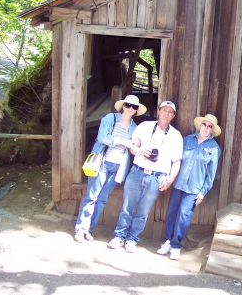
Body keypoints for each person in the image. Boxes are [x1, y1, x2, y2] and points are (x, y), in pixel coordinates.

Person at [107, 100, 183, 253]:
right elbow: (133, 146)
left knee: (143, 212)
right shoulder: (145, 126)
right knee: (127, 207)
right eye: (164, 110)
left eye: (170, 112)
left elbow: (177, 161)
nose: (166, 114)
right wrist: (140, 152)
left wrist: (169, 181)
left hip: (157, 177)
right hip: (137, 171)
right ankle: (119, 236)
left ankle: (132, 239)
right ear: (158, 110)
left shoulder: (176, 135)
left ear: (173, 115)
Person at [74, 95, 147, 243]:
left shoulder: (134, 128)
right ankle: (81, 229)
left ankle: (89, 229)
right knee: (92, 196)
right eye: (128, 105)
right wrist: (124, 142)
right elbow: (103, 138)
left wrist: (131, 146)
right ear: (122, 106)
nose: (131, 108)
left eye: (134, 107)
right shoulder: (110, 119)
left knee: (101, 199)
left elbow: (134, 146)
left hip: (118, 166)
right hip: (102, 162)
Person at [157, 114, 221, 260]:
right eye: (204, 124)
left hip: (194, 188)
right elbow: (175, 160)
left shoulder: (214, 148)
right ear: (200, 125)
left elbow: (211, 174)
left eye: (210, 126)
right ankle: (167, 241)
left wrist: (203, 192)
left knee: (183, 217)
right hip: (178, 184)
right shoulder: (186, 140)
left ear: (212, 130)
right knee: (172, 213)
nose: (206, 128)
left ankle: (176, 245)